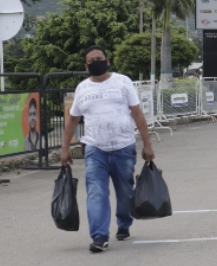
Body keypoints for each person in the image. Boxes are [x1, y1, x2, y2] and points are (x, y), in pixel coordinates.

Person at [60, 45, 155, 253]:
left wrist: (147, 144)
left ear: (108, 61)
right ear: (86, 66)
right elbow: (73, 119)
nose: (96, 63)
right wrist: (64, 148)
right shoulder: (82, 88)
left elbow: (137, 114)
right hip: (95, 149)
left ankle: (124, 224)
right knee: (96, 192)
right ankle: (99, 236)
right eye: (91, 61)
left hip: (123, 147)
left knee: (125, 192)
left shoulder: (123, 82)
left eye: (99, 59)